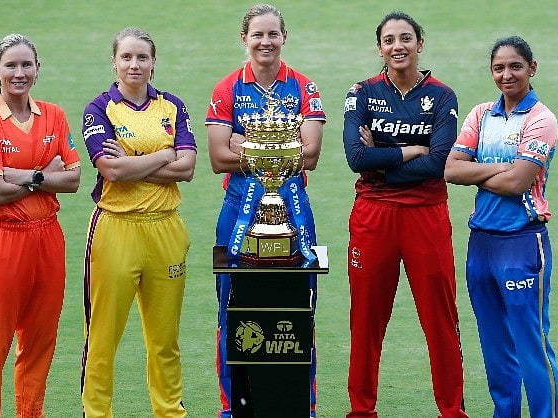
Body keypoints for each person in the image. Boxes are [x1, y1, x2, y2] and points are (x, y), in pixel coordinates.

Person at [342, 12, 468, 418]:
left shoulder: (443, 96)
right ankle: (361, 411)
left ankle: (452, 411)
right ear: (379, 47)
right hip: (373, 217)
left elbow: (438, 164)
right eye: (390, 40)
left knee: (440, 319)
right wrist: (410, 151)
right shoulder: (360, 93)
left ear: (420, 43)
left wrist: (382, 161)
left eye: (406, 38)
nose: (398, 46)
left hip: (426, 216)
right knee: (365, 320)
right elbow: (355, 157)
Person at [205, 4, 325, 417]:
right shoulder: (227, 89)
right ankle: (231, 406)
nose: (265, 42)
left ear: (284, 37)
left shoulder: (305, 88)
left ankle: (303, 404)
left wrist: (246, 141)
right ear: (245, 39)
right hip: (239, 209)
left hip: (292, 206)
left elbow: (309, 155)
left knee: (300, 309)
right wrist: (279, 143)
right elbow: (218, 157)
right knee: (231, 308)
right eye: (257, 35)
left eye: (272, 34)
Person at [79, 27, 197, 418]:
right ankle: (96, 413)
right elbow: (111, 170)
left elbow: (189, 168)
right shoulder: (99, 109)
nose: (134, 64)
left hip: (166, 228)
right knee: (103, 338)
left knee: (165, 340)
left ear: (153, 62)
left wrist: (135, 163)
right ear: (114, 62)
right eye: (126, 57)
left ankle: (169, 412)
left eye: (142, 57)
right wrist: (164, 154)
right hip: (117, 227)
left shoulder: (172, 107)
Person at [0, 33, 81, 417]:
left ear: (37, 69)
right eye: (10, 65)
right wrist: (41, 174)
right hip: (0, 241)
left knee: (40, 340)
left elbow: (75, 179)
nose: (19, 73)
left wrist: (20, 175)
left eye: (26, 65)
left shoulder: (54, 115)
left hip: (48, 237)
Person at [444, 35, 558, 418]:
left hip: (522, 243)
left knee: (531, 346)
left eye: (515, 66)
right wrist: (499, 168)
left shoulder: (542, 119)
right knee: (494, 346)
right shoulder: (480, 114)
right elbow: (450, 169)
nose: (506, 75)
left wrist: (477, 172)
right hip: (482, 244)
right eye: (499, 68)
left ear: (532, 68)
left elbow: (517, 184)